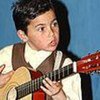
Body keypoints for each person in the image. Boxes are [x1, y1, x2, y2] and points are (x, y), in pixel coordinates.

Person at [0, 0, 87, 100]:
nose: (52, 33)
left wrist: (59, 95)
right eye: (41, 28)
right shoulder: (7, 54)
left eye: (54, 24)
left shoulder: (65, 65)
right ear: (23, 35)